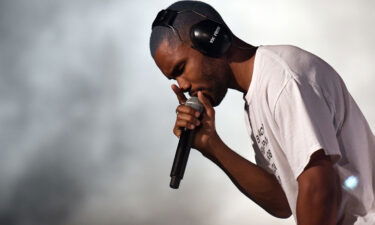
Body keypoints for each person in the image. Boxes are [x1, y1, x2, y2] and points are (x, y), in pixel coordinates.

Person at [149, 1, 375, 225]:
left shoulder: (282, 80)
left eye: (181, 69)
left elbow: (318, 186)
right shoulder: (256, 95)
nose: (183, 85)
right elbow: (282, 202)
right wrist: (211, 145)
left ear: (210, 39)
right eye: (174, 79)